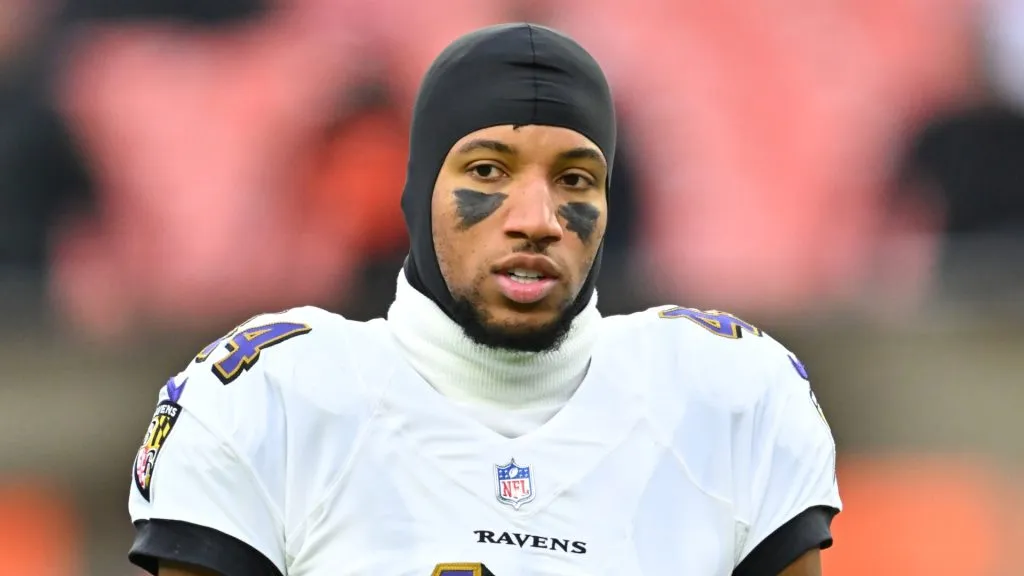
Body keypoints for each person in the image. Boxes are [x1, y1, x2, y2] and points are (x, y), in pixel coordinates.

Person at [127, 23, 841, 576]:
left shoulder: (729, 396)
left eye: (574, 179)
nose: (536, 219)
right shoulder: (269, 399)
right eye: (488, 170)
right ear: (420, 194)